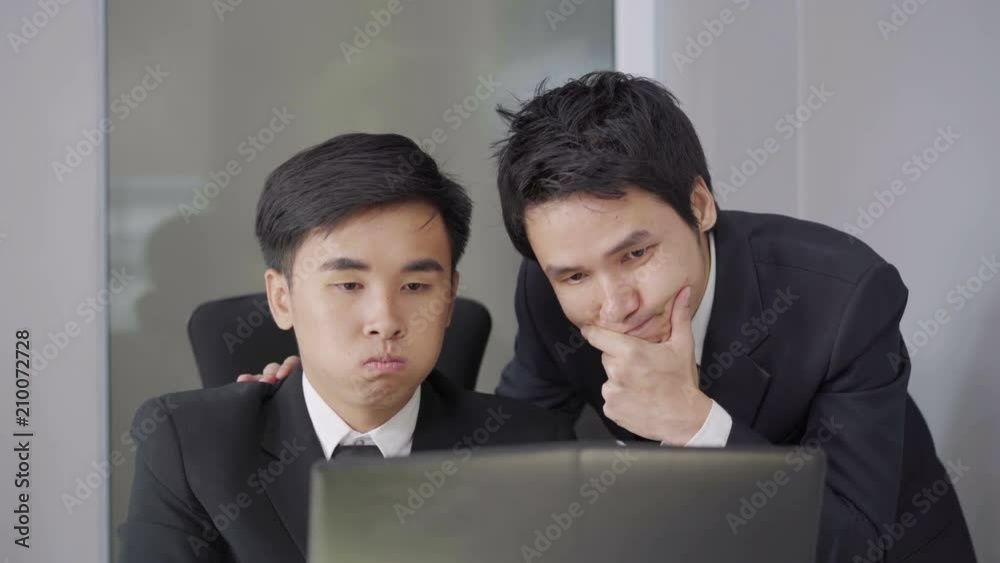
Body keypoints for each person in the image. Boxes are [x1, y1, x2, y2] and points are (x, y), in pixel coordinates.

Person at [240, 72, 977, 562]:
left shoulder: (843, 296)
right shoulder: (549, 292)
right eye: (574, 275)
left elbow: (854, 540)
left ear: (700, 204)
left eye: (636, 253)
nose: (616, 303)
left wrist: (696, 424)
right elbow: (504, 446)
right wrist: (336, 397)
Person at [119, 133, 574, 563]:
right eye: (349, 285)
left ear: (449, 298)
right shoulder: (187, 446)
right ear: (281, 298)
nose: (385, 321)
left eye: (416, 286)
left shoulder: (531, 450)